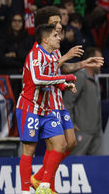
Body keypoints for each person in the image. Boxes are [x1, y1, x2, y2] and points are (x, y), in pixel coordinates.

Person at [30, 6, 104, 193]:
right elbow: (43, 72)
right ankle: (46, 185)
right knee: (56, 145)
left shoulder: (55, 47)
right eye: (55, 22)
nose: (60, 26)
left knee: (70, 143)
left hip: (57, 100)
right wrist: (67, 56)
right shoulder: (39, 49)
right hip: (45, 103)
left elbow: (61, 69)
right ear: (44, 25)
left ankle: (39, 178)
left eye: (60, 22)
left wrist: (83, 63)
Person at [16, 24, 77, 194]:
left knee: (61, 144)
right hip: (29, 107)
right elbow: (37, 79)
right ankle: (24, 191)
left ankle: (43, 186)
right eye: (55, 35)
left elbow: (51, 78)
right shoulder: (35, 54)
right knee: (29, 149)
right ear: (46, 39)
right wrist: (65, 76)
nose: (59, 37)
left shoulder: (51, 56)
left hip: (46, 109)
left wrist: (64, 85)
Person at [64, 47, 104, 155]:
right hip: (82, 132)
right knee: (77, 163)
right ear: (90, 61)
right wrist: (71, 124)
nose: (102, 63)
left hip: (96, 132)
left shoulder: (95, 79)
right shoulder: (80, 77)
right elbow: (67, 102)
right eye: (99, 60)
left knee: (96, 165)